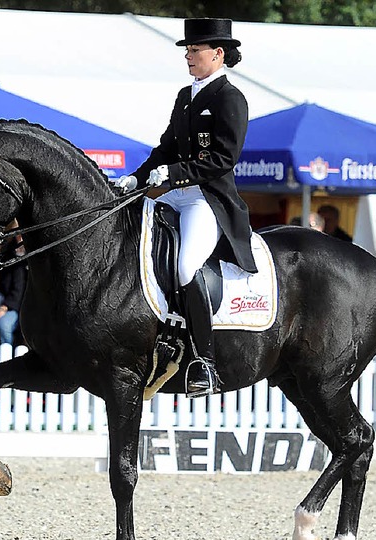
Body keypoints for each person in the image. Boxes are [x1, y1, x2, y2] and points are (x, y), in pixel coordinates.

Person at [115, 17, 256, 396]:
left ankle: (204, 362)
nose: (189, 57)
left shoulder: (230, 98)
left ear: (217, 53)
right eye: (188, 51)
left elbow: (224, 159)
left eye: (194, 50)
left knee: (186, 265)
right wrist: (138, 176)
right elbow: (165, 146)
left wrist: (173, 172)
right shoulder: (185, 95)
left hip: (205, 197)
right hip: (172, 190)